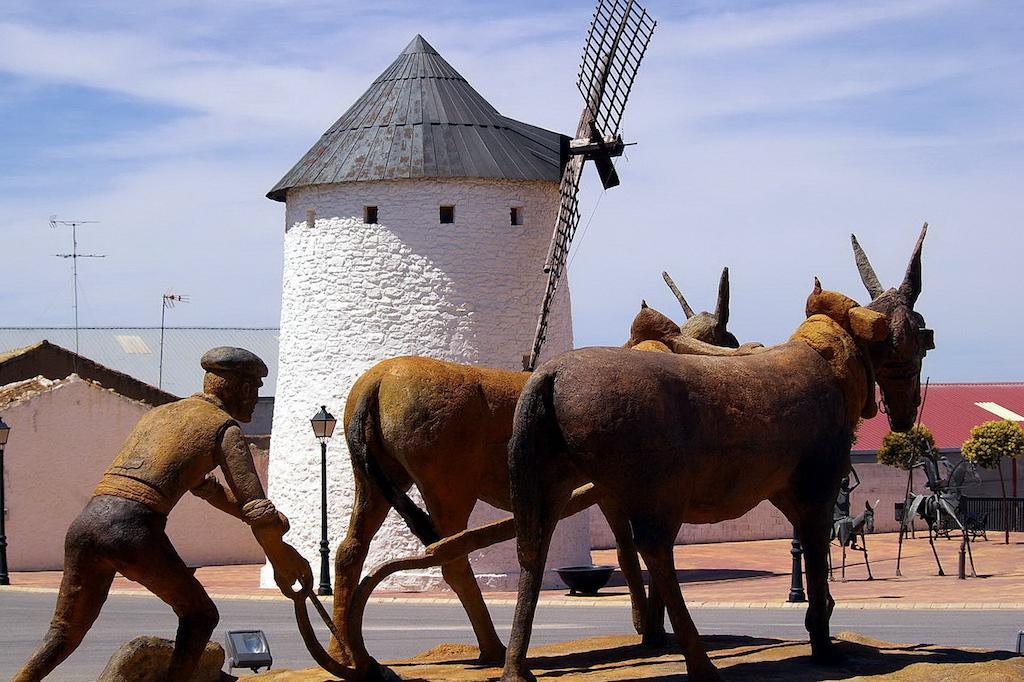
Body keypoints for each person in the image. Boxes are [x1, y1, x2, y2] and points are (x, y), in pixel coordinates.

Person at [14, 347, 312, 681]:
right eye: (255, 389)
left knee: (62, 635)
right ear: (241, 388)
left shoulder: (161, 415)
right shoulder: (224, 429)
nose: (256, 399)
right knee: (200, 616)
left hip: (86, 523)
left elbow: (208, 490)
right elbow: (258, 512)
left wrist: (264, 519)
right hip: (131, 529)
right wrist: (281, 556)